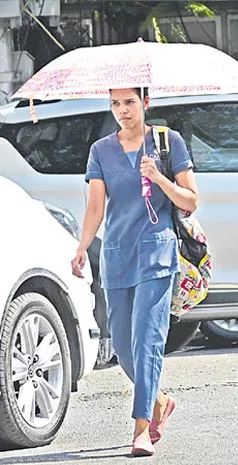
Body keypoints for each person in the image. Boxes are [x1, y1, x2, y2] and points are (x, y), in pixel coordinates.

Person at [71, 87, 199, 455]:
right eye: (115, 103)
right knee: (123, 348)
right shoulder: (101, 151)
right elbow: (96, 207)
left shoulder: (167, 142)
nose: (123, 110)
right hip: (116, 256)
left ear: (145, 102)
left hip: (157, 255)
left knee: (147, 342)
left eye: (129, 102)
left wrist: (160, 178)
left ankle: (142, 428)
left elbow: (191, 200)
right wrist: (82, 247)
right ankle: (158, 400)